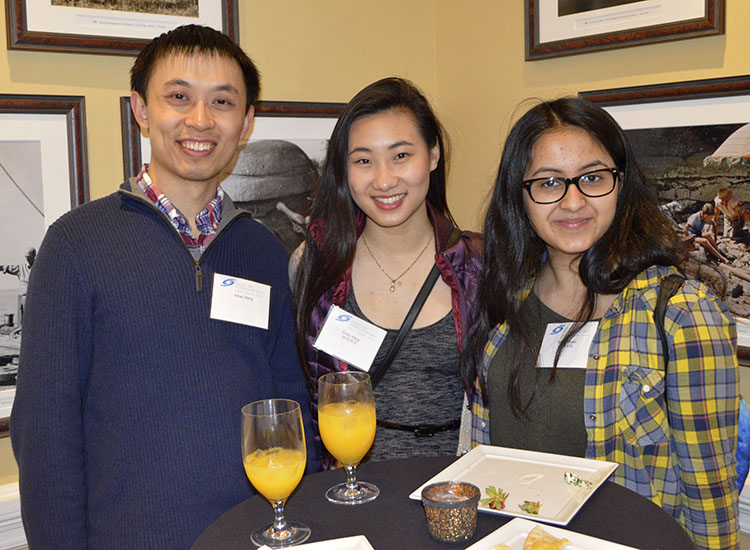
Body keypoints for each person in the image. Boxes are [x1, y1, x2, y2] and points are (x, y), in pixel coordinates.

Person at [11, 25, 316, 550]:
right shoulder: (76, 245)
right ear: (142, 109)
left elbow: (287, 404)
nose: (200, 120)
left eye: (222, 102)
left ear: (245, 123)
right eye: (179, 97)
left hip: (258, 538)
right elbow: (45, 432)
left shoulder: (263, 250)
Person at [466, 97, 739, 549]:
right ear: (521, 195)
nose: (573, 201)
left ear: (621, 184)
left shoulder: (680, 315)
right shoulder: (504, 302)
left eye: (593, 178)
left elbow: (709, 498)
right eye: (549, 182)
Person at [293, 77, 481, 463]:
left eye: (400, 156)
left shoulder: (479, 266)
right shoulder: (315, 266)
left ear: (432, 155)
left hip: (462, 493)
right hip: (354, 497)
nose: (383, 180)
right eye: (364, 160)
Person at [0, 246, 35, 326]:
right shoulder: (20, 268)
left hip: (36, 298)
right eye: (26, 257)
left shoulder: (40, 267)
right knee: (25, 319)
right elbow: (5, 267)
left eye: (29, 257)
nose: (27, 260)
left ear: (34, 256)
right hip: (25, 297)